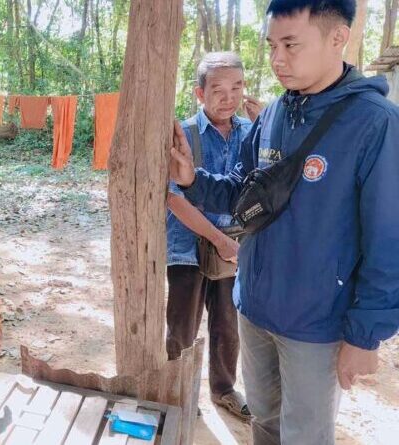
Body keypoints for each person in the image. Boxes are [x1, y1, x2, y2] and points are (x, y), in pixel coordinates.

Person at [169, 1, 399, 443]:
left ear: (338, 38)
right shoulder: (274, 114)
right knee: (264, 422)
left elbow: (388, 240)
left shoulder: (375, 123)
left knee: (304, 435)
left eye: (291, 45)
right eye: (272, 45)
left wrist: (365, 336)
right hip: (255, 309)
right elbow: (243, 194)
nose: (277, 59)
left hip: (316, 324)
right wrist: (192, 180)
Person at [166, 52, 260, 421]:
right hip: (187, 247)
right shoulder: (183, 133)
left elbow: (259, 189)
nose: (229, 97)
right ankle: (178, 395)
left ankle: (224, 390)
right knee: (182, 327)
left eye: (237, 87)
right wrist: (219, 241)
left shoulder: (252, 133)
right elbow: (173, 197)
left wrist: (267, 127)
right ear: (200, 93)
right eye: (218, 89)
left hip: (235, 248)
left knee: (228, 326)